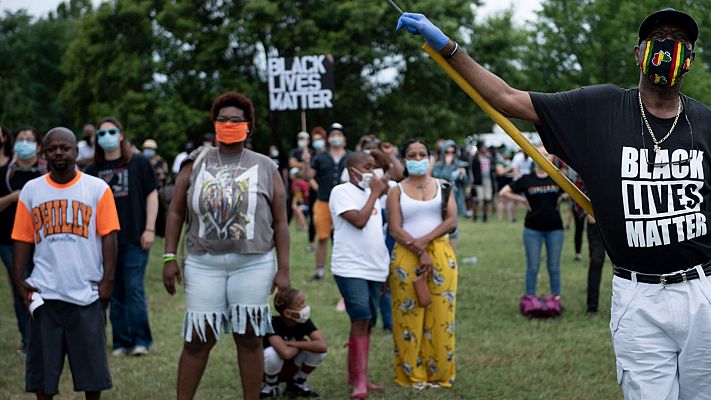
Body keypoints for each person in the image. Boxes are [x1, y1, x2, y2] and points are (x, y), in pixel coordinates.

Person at [398, 8, 711, 397]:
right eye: (659, 38)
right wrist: (447, 46)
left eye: (679, 41)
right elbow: (507, 99)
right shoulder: (599, 109)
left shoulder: (706, 123)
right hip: (638, 296)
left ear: (691, 59)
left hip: (703, 291)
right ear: (638, 53)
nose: (668, 47)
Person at [162, 91, 290, 400]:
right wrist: (169, 256)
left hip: (253, 263)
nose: (229, 123)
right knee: (197, 340)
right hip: (203, 263)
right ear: (214, 124)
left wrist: (283, 270)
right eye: (223, 119)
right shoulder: (195, 163)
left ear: (248, 126)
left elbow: (281, 222)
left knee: (249, 339)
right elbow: (176, 211)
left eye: (236, 120)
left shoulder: (266, 166)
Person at [12, 127, 119, 400]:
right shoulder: (31, 191)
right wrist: (18, 280)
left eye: (65, 147)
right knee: (42, 375)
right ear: (43, 153)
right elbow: (23, 238)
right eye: (52, 148)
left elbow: (109, 236)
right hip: (46, 294)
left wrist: (107, 281)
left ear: (76, 151)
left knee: (92, 373)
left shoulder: (97, 189)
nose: (59, 152)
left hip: (86, 293)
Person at [386, 139, 458, 389]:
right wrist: (419, 249)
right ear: (404, 159)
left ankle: (440, 372)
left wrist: (426, 244)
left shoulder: (444, 186)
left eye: (421, 154)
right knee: (408, 314)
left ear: (430, 158)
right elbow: (394, 228)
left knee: (441, 316)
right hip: (406, 255)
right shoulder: (395, 190)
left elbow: (451, 220)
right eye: (411, 155)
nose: (417, 159)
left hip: (440, 253)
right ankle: (412, 373)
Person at [85, 117, 159, 357]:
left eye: (111, 131)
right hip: (105, 241)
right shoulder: (92, 170)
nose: (106, 136)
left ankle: (141, 341)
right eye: (102, 133)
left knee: (134, 288)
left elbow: (152, 195)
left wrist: (149, 229)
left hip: (135, 239)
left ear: (121, 135)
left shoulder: (138, 163)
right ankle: (120, 342)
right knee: (113, 292)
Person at [330, 152, 389, 399]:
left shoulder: (372, 192)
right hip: (350, 267)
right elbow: (359, 221)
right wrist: (374, 193)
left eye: (374, 167)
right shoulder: (341, 192)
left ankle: (357, 374)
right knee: (360, 317)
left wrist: (381, 154)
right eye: (367, 167)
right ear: (352, 169)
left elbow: (395, 170)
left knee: (368, 322)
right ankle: (359, 382)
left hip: (376, 267)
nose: (372, 172)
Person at [0, 127, 46, 354]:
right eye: (20, 139)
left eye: (29, 140)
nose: (24, 143)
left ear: (39, 147)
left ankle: (45, 337)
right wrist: (13, 197)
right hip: (9, 241)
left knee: (43, 289)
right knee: (21, 288)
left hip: (42, 242)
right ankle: (28, 340)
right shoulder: (5, 173)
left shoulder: (48, 173)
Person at [499, 154, 565, 299]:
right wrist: (522, 200)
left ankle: (556, 299)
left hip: (555, 229)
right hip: (532, 229)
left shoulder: (557, 178)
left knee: (553, 267)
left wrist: (561, 198)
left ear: (552, 159)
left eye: (546, 154)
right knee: (532, 267)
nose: (543, 157)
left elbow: (572, 192)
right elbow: (503, 192)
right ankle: (530, 299)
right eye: (539, 154)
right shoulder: (527, 179)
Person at [260, 289, 326, 399]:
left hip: (291, 366)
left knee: (319, 352)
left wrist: (292, 344)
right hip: (268, 370)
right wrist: (303, 343)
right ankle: (271, 385)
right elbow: (285, 353)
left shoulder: (303, 321)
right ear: (287, 313)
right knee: (272, 354)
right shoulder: (272, 323)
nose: (306, 307)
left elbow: (322, 346)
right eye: (301, 304)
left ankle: (297, 383)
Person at [308, 122, 350, 281]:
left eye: (339, 135)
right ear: (328, 139)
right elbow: (309, 175)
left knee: (345, 238)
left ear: (344, 139)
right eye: (333, 135)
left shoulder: (350, 156)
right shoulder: (320, 157)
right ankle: (319, 271)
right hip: (323, 201)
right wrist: (317, 188)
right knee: (323, 237)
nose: (336, 138)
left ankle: (345, 270)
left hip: (345, 203)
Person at [142, 139, 171, 237]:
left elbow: (165, 175)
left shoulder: (160, 161)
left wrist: (161, 175)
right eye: (147, 148)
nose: (148, 150)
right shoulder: (140, 160)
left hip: (158, 190)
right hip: (143, 190)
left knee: (160, 212)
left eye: (150, 149)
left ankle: (160, 232)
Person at [471, 142, 494, 222]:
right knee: (478, 200)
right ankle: (475, 216)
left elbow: (492, 167)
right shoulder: (475, 158)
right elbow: (472, 171)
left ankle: (485, 216)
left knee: (486, 199)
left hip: (487, 180)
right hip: (478, 181)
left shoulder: (488, 157)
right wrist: (472, 182)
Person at [290, 167, 310, 231]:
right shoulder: (301, 182)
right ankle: (299, 227)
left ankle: (305, 226)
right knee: (296, 210)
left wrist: (294, 203)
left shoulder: (297, 183)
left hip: (305, 202)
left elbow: (298, 194)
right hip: (305, 202)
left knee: (298, 210)